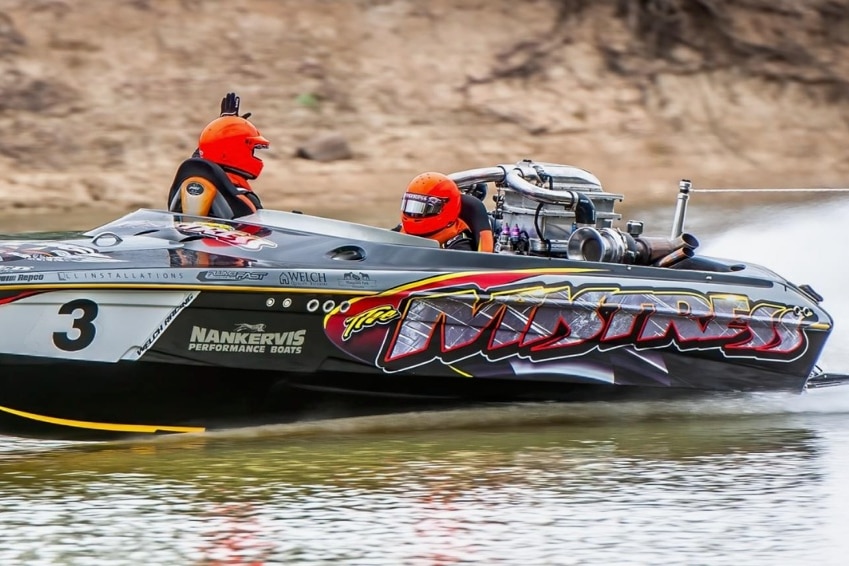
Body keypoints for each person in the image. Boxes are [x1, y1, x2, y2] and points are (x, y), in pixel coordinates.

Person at [168, 92, 270, 218]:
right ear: (237, 151)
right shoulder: (243, 198)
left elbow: (202, 159)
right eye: (252, 150)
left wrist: (223, 127)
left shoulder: (185, 187)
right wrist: (225, 127)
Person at [399, 172, 493, 252]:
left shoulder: (459, 245)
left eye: (422, 208)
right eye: (411, 206)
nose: (413, 214)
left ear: (445, 208)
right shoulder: (402, 230)